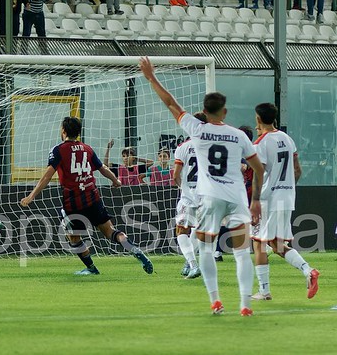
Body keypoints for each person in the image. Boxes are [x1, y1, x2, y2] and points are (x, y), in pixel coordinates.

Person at [139, 57, 265, 316]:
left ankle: (215, 300)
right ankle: (245, 304)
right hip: (237, 195)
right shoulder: (239, 135)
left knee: (206, 248)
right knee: (242, 253)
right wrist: (255, 200)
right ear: (225, 111)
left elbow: (170, 103)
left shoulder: (196, 130)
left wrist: (151, 77)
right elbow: (258, 168)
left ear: (204, 111)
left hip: (210, 197)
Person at [20, 116, 154, 276]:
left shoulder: (58, 150)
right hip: (93, 197)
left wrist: (31, 196)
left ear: (63, 131)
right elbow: (102, 168)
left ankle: (91, 268)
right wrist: (116, 180)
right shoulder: (87, 148)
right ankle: (134, 249)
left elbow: (47, 176)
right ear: (78, 132)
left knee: (73, 238)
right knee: (110, 231)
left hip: (73, 203)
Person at [250, 103, 319, 301]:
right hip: (287, 197)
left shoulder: (261, 143)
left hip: (268, 199)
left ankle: (264, 291)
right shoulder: (288, 139)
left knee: (259, 243)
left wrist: (255, 199)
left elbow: (258, 172)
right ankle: (308, 271)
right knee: (276, 244)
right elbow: (297, 170)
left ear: (258, 119)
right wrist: (286, 188)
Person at [173, 112, 207, 280]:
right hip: (207, 195)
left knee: (181, 230)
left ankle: (192, 264)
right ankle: (189, 262)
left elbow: (175, 176)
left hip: (188, 196)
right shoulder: (211, 145)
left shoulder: (183, 147)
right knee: (198, 230)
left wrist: (183, 188)